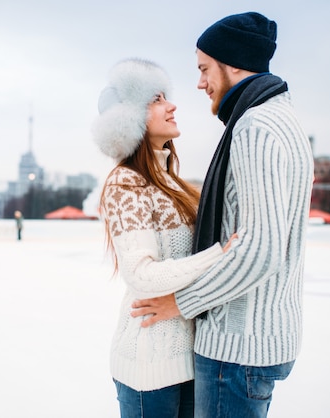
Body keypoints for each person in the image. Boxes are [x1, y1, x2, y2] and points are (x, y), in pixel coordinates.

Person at [130, 12, 315, 418]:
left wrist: (181, 302)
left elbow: (259, 250)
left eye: (203, 69)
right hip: (256, 340)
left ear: (233, 63)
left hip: (237, 346)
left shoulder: (256, 127)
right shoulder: (282, 119)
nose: (199, 83)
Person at [92, 58, 235, 418]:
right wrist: (219, 255)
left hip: (188, 359)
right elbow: (141, 276)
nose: (171, 105)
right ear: (131, 120)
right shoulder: (126, 184)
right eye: (157, 99)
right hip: (148, 366)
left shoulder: (174, 183)